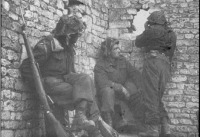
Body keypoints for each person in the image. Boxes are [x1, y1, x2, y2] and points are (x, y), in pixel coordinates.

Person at [20, 14, 102, 137]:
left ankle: (81, 119)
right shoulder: (48, 45)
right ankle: (91, 130)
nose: (77, 38)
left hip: (64, 81)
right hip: (51, 84)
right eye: (76, 34)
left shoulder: (68, 48)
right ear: (68, 34)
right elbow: (26, 67)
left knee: (86, 80)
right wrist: (39, 87)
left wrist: (79, 82)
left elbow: (71, 73)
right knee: (85, 93)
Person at [135, 10, 177, 137]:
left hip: (152, 63)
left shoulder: (150, 31)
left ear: (152, 21)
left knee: (150, 97)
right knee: (158, 97)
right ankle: (166, 129)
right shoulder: (171, 34)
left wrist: (145, 28)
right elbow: (171, 52)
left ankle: (153, 130)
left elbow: (138, 42)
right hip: (165, 65)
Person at [94, 37, 144, 131]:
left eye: (118, 48)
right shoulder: (100, 65)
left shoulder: (122, 60)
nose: (119, 50)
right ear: (108, 52)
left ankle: (138, 122)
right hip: (108, 96)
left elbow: (134, 73)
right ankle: (108, 123)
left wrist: (140, 86)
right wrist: (120, 88)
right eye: (115, 49)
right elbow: (102, 82)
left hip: (122, 93)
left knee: (134, 89)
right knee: (108, 90)